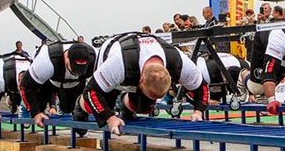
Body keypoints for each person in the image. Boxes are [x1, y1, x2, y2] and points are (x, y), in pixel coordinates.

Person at [79, 33, 209, 135]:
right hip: (115, 57)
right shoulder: (117, 64)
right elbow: (91, 91)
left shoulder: (179, 63)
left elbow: (202, 87)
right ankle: (80, 106)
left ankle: (126, 105)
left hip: (137, 65)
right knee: (100, 104)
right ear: (140, 80)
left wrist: (198, 112)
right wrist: (110, 119)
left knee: (145, 107)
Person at [19, 41, 97, 125]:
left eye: (81, 69)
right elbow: (26, 85)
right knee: (39, 106)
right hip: (49, 81)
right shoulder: (46, 62)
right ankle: (24, 107)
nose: (76, 72)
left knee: (67, 109)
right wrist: (35, 113)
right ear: (67, 57)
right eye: (74, 69)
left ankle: (78, 106)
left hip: (75, 83)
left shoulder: (95, 59)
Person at [0, 53, 33, 123]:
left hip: (20, 66)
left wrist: (52, 106)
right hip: (0, 67)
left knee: (31, 97)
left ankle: (17, 102)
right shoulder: (0, 80)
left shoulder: (36, 75)